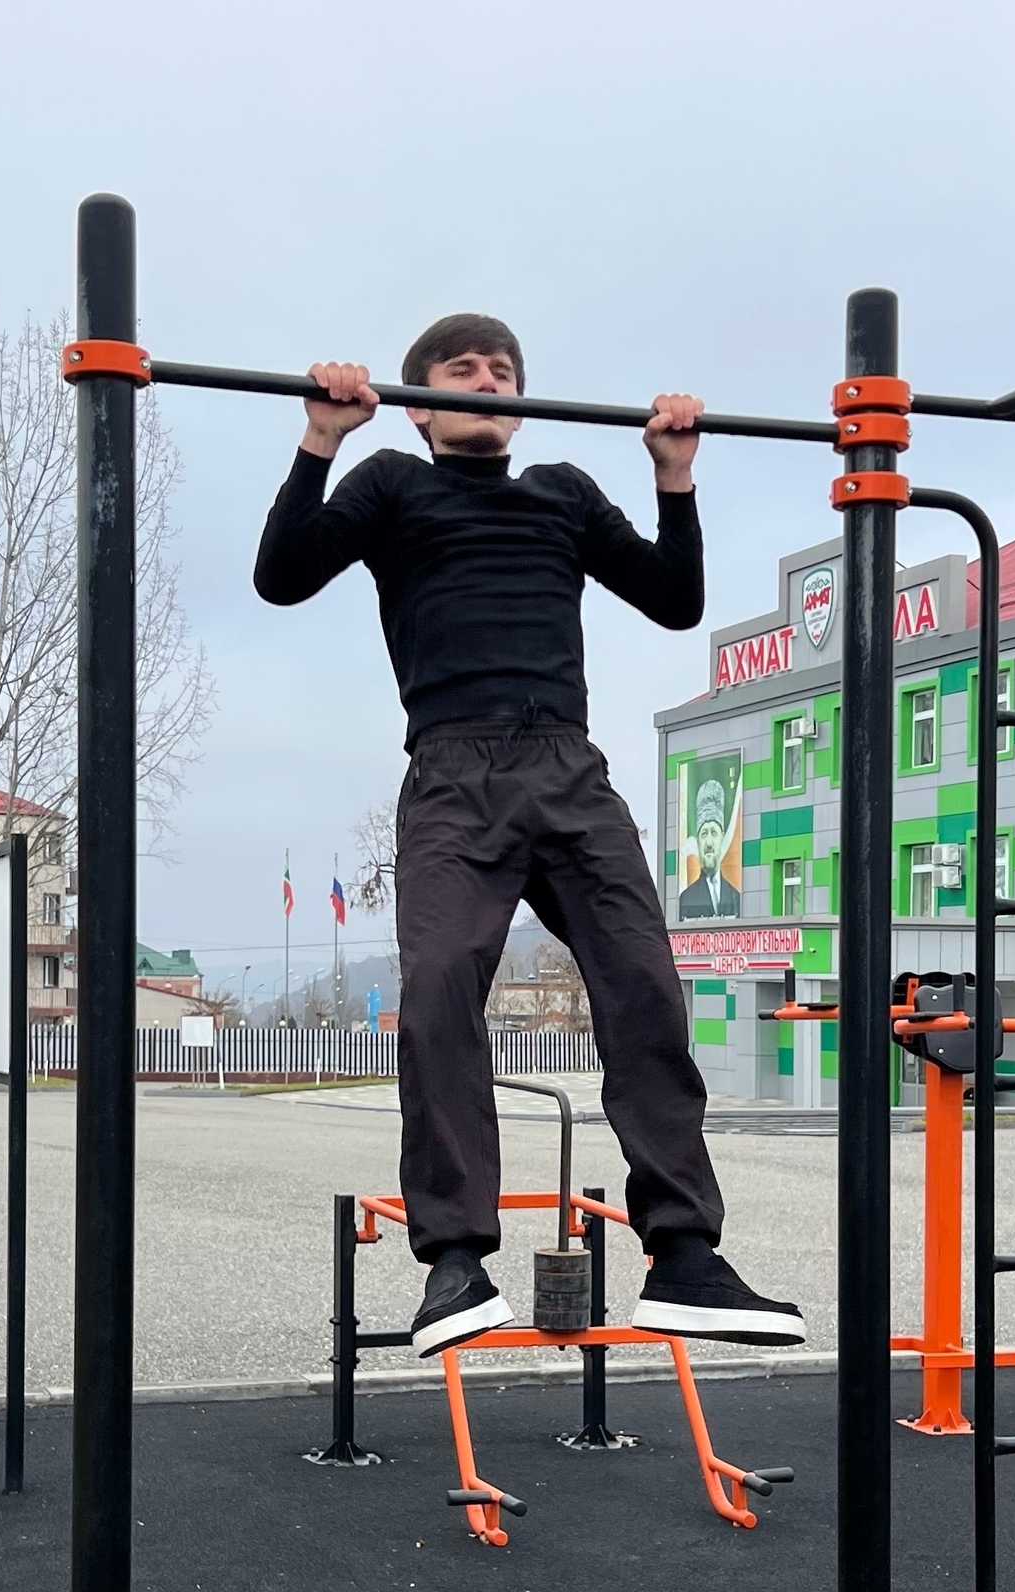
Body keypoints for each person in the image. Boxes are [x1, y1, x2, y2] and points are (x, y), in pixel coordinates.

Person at [253, 315, 802, 1358]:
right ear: (420, 408)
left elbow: (674, 600)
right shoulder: (390, 485)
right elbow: (280, 576)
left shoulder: (561, 492)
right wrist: (320, 438)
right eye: (462, 371)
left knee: (644, 982)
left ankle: (684, 1252)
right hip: (453, 772)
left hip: (568, 767)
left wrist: (673, 476)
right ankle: (456, 1260)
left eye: (503, 372)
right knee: (439, 986)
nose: (488, 382)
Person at [677, 778, 739, 919]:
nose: (709, 843)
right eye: (704, 834)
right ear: (698, 842)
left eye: (714, 833)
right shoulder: (686, 900)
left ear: (722, 837)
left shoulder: (736, 898)